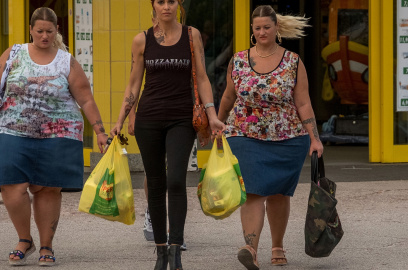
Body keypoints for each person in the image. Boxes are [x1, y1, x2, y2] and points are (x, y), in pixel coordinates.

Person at [0, 7, 108, 267]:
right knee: (11, 185)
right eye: (39, 31)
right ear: (31, 30)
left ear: (56, 30)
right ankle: (25, 239)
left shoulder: (67, 61)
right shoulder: (14, 54)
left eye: (49, 31)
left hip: (57, 133)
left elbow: (86, 99)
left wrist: (100, 131)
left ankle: (46, 245)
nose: (44, 36)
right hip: (11, 129)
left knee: (47, 188)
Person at [111, 1, 224, 269]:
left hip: (182, 119)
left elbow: (203, 79)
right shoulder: (142, 40)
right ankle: (161, 251)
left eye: (171, 1)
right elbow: (134, 83)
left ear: (179, 5)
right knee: (156, 182)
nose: (166, 7)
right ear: (154, 5)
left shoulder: (191, 35)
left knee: (175, 180)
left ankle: (176, 250)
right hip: (148, 119)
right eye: (160, 1)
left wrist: (212, 114)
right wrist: (120, 119)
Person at [217, 5, 323, 270]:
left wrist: (315, 138)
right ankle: (250, 249)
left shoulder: (293, 61)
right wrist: (217, 124)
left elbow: (304, 103)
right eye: (257, 28)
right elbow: (229, 96)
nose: (262, 31)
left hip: (288, 138)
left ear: (277, 28)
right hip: (244, 135)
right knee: (252, 192)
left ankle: (277, 246)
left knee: (278, 194)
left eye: (267, 27)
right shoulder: (238, 60)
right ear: (252, 31)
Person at [128, 110, 192, 249]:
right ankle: (152, 210)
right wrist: (131, 116)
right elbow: (133, 88)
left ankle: (173, 234)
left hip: (180, 115)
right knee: (155, 173)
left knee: (176, 175)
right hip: (151, 115)